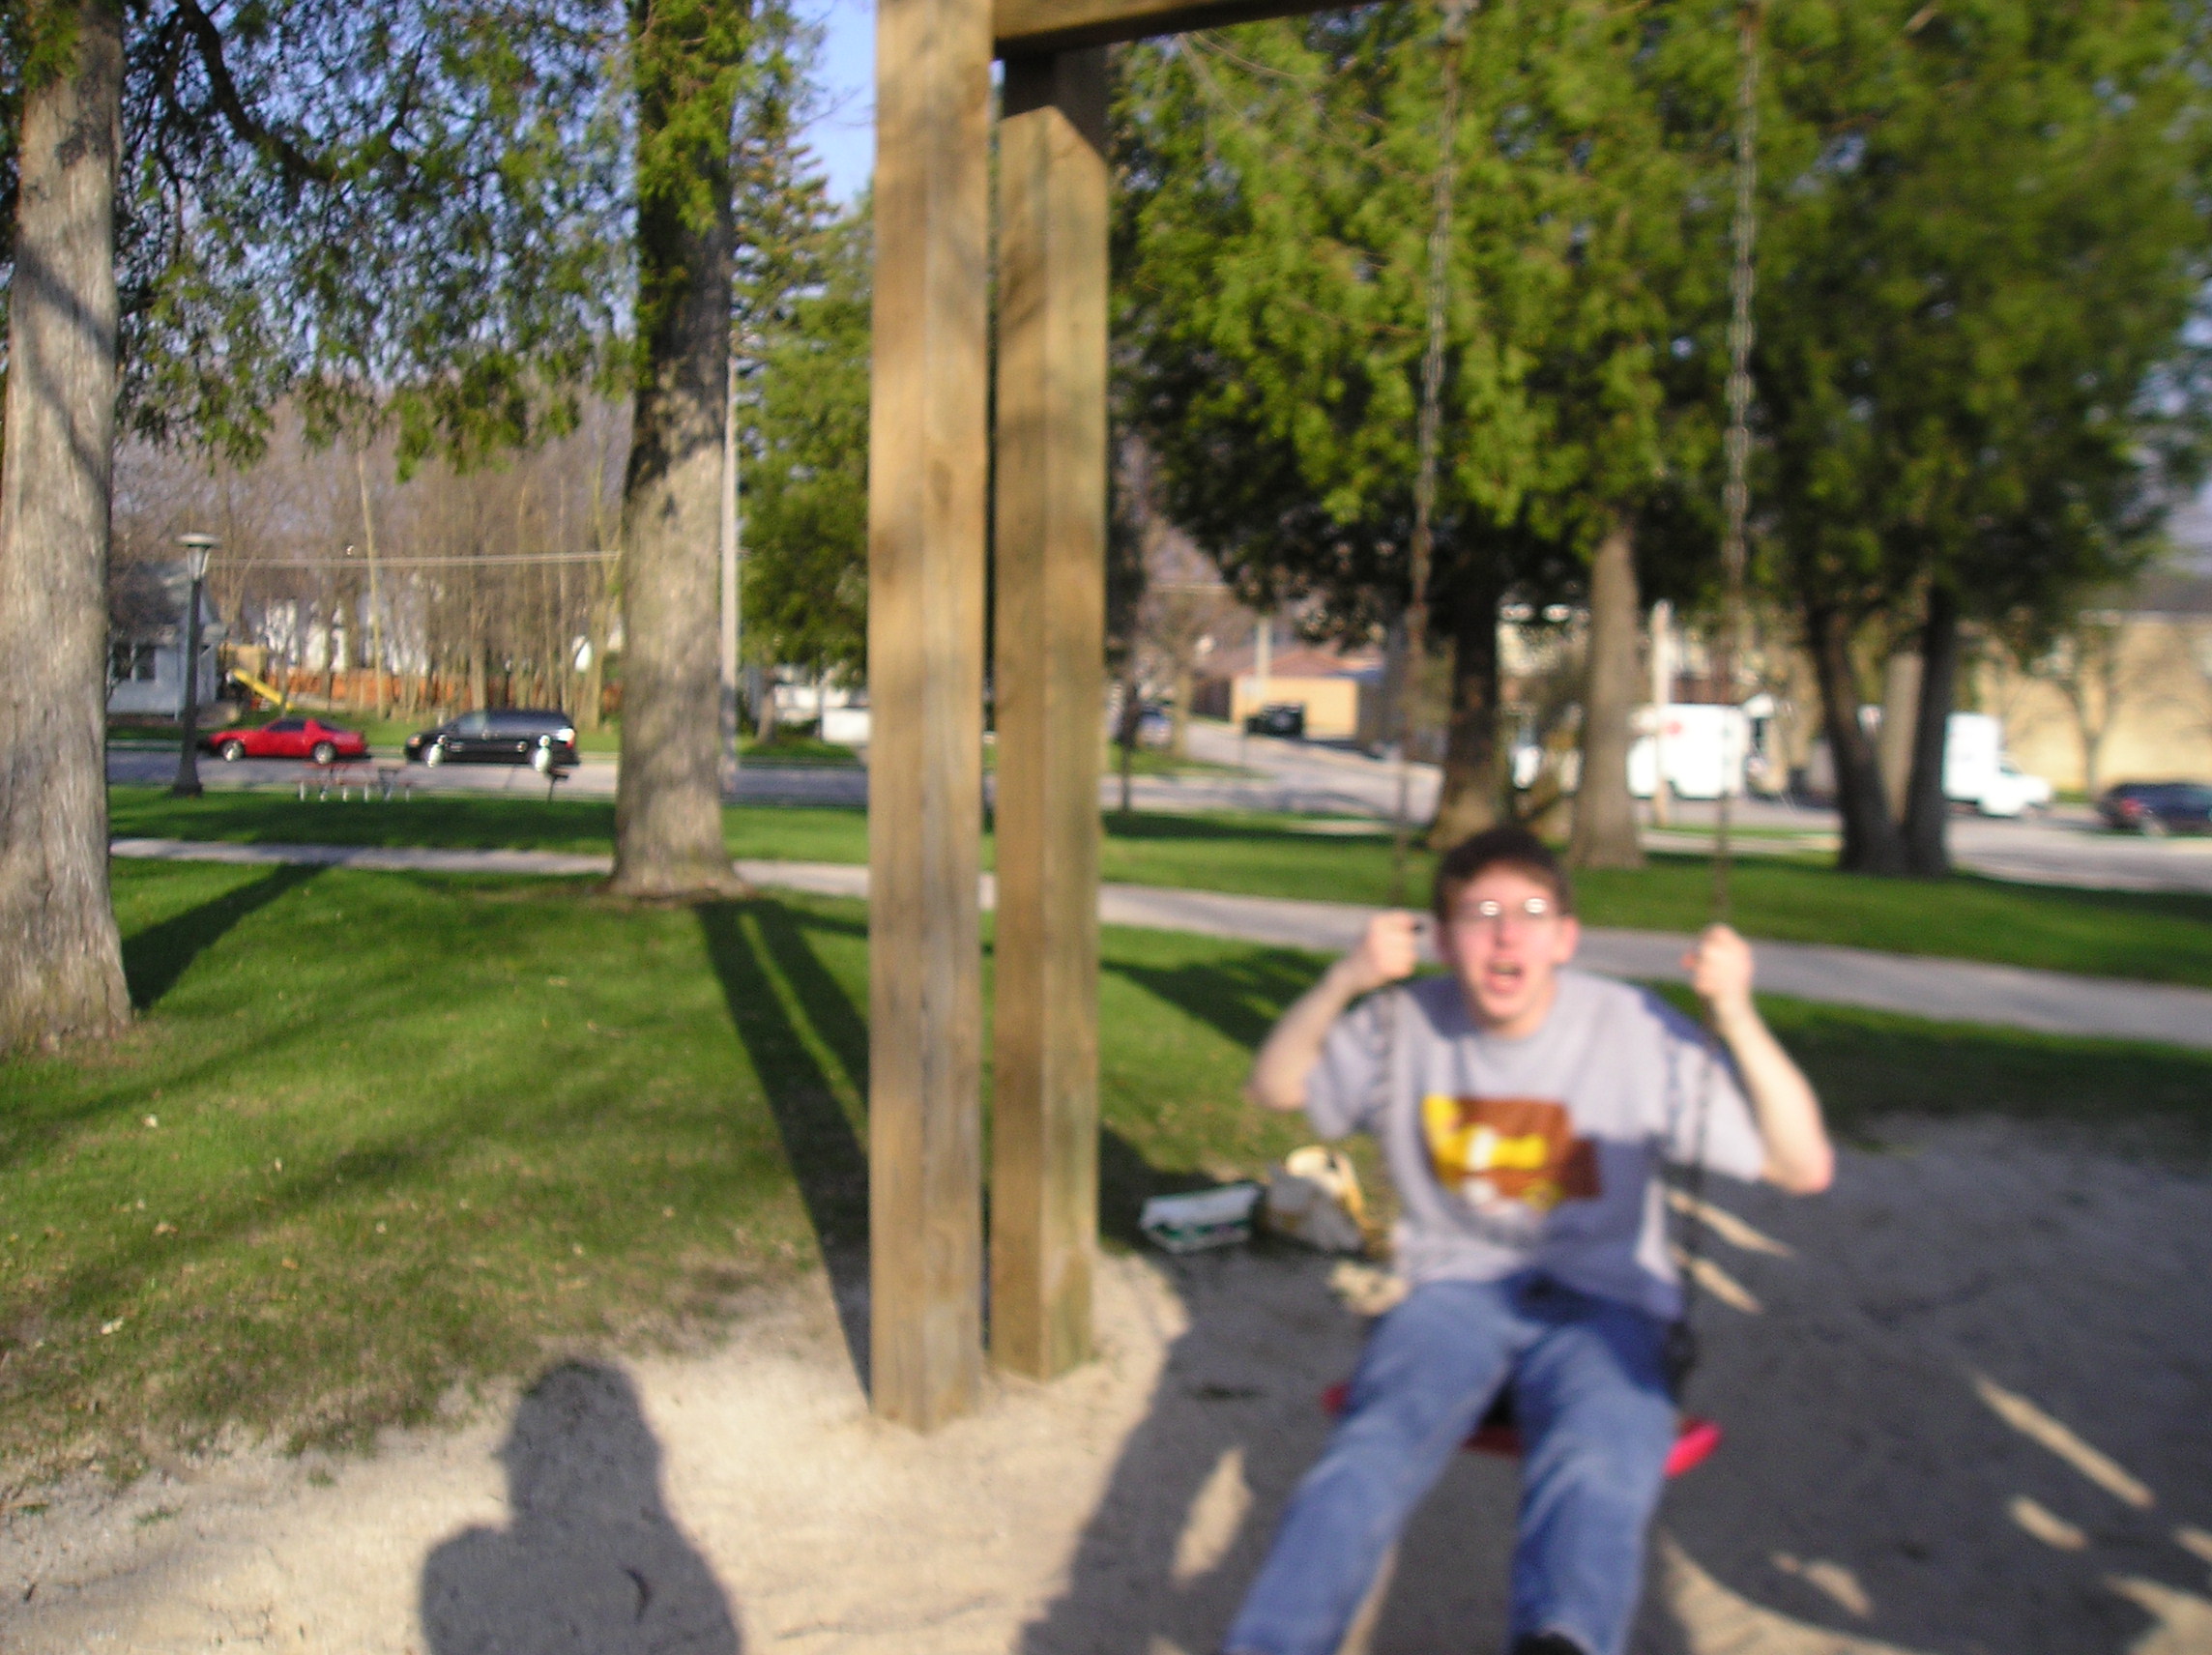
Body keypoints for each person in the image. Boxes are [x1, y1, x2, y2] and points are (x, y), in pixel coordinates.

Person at [1223, 825, 1832, 1655]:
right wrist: (1349, 978)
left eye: (1531, 911)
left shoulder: (1631, 1028)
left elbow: (1802, 1166)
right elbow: (1274, 1086)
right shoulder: (1403, 1022)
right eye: (1480, 914)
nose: (1507, 933)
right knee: (1368, 1454)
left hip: (1606, 1304)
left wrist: (1736, 1012)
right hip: (1454, 1297)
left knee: (1597, 1460)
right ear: (1441, 940)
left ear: (1565, 938)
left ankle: (1565, 1639)